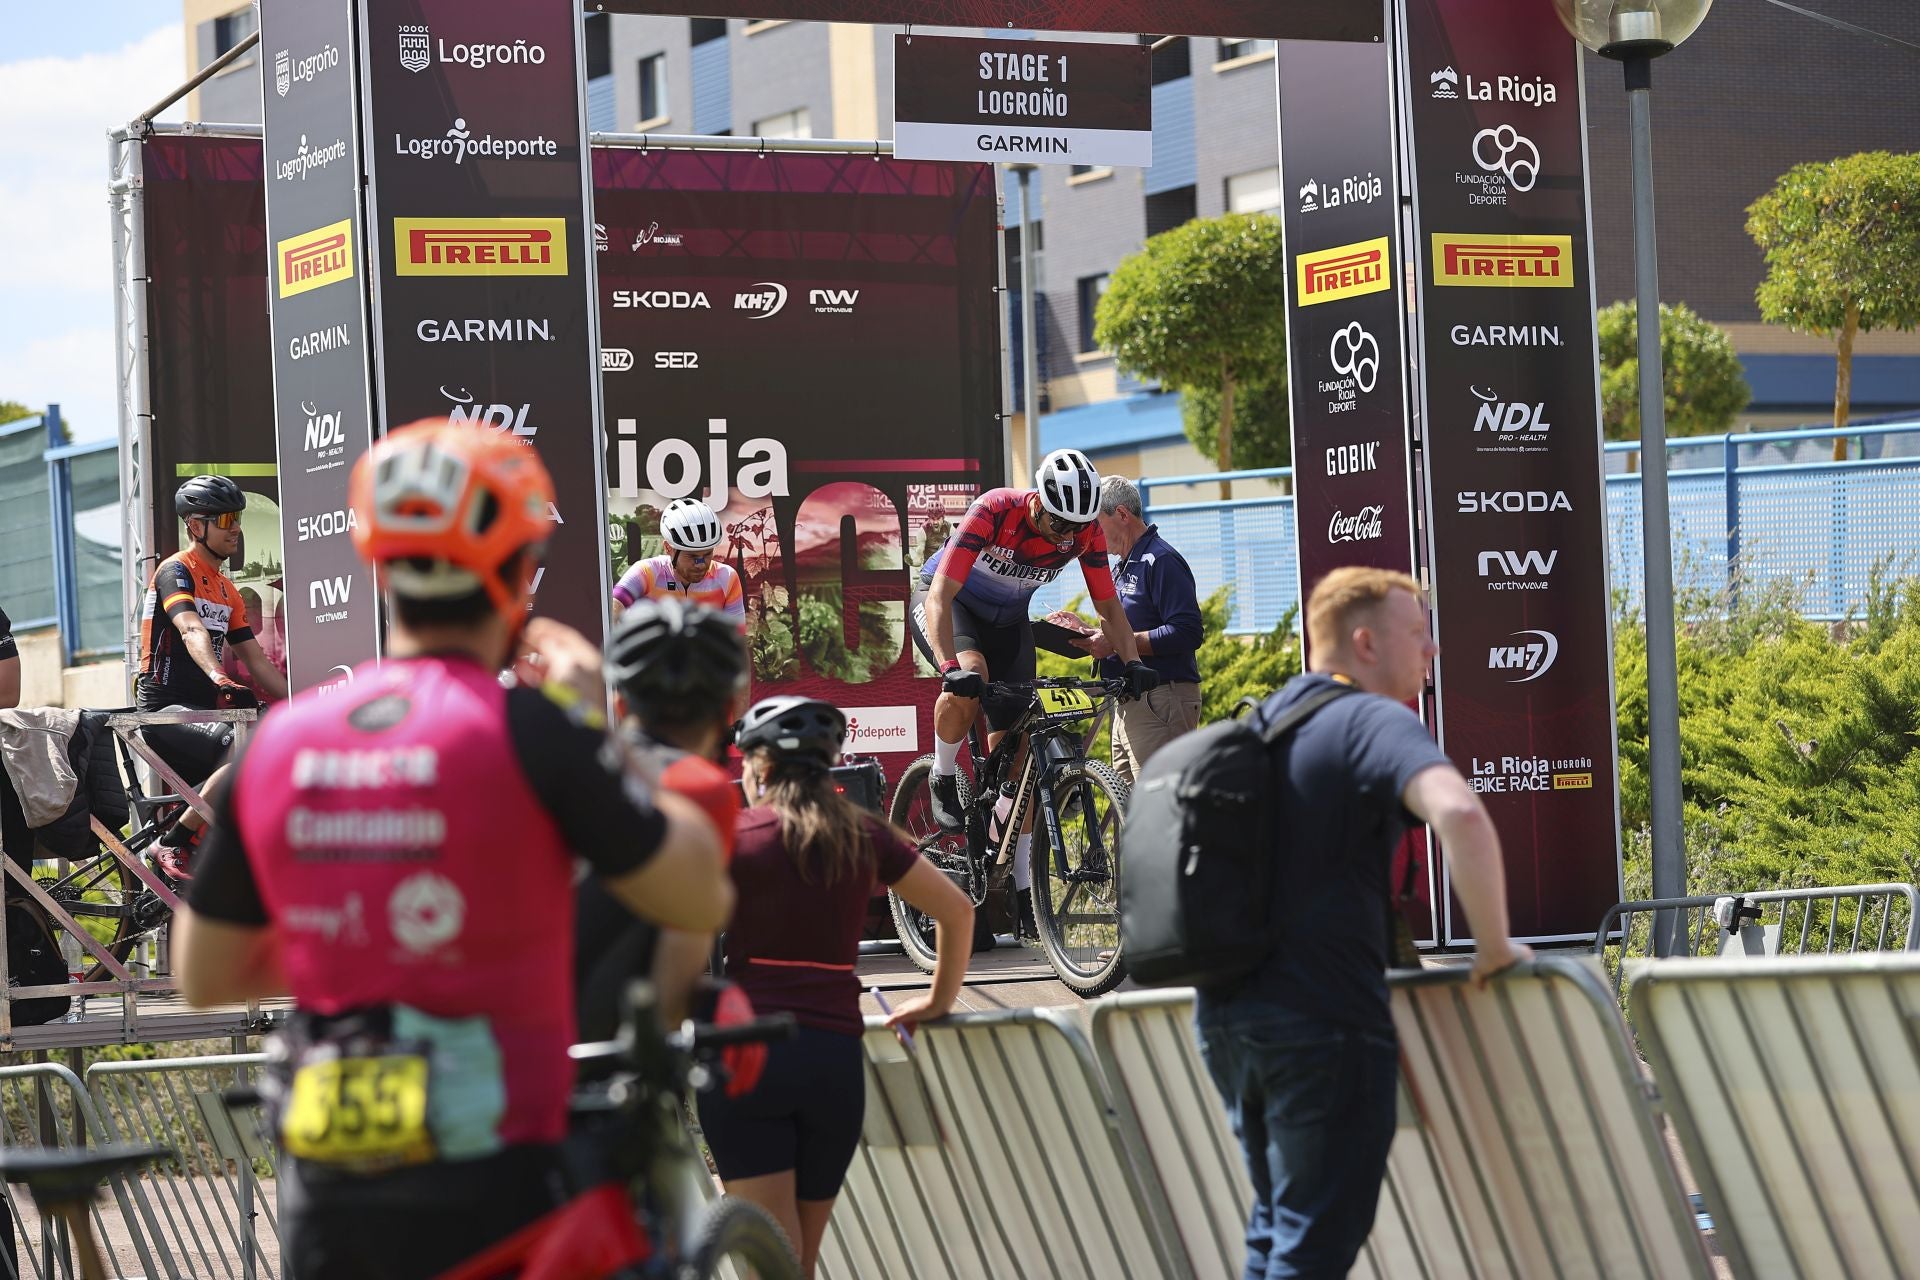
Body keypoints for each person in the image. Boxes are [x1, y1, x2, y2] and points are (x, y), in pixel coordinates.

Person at [171, 421, 735, 1280]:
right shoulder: (533, 732)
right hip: (502, 1177)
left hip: (329, 1183)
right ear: (518, 571)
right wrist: (602, 726)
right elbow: (698, 897)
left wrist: (373, 957)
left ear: (382, 565)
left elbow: (205, 975)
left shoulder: (281, 741)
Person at [1195, 566, 1532, 1280]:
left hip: (1228, 1021)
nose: (1433, 650)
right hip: (1321, 1020)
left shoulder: (1259, 724)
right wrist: (1495, 949)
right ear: (1365, 643)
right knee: (1311, 1246)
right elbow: (1461, 813)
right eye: (1418, 632)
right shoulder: (1372, 718)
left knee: (1276, 1231)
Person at [660, 695, 973, 1279]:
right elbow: (957, 911)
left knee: (768, 1263)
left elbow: (677, 947)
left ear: (758, 767)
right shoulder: (862, 834)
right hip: (833, 1063)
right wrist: (937, 999)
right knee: (799, 1264)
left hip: (749, 1058)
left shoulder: (734, 835)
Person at [908, 448, 1159, 930]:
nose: (1067, 536)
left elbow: (1109, 607)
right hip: (953, 605)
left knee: (1022, 757)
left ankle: (1023, 887)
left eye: (1075, 527)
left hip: (1008, 622)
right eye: (1059, 524)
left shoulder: (1083, 531)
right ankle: (942, 774)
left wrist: (1130, 662)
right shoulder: (994, 510)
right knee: (972, 676)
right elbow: (941, 593)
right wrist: (947, 665)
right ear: (1038, 503)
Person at [578, 597, 755, 1043]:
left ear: (619, 704)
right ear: (724, 713)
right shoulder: (700, 787)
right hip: (606, 1052)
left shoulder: (566, 762)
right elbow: (676, 973)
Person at [136, 476, 289, 878]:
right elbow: (190, 629)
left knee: (282, 738)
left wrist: (304, 705)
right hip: (165, 710)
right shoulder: (176, 571)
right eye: (224, 519)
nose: (235, 527)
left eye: (236, 517)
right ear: (196, 526)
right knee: (251, 746)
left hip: (205, 712)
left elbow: (257, 663)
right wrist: (218, 676)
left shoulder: (226, 589)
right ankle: (171, 843)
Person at [1073, 475, 1204, 782]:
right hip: (1131, 701)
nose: (1091, 535)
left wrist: (1119, 644)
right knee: (1128, 815)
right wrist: (1089, 633)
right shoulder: (1125, 564)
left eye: (1095, 524)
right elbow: (1122, 632)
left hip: (1162, 699)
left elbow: (1188, 631)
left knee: (1159, 811)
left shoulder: (1161, 559)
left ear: (1121, 514)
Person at [610, 496, 746, 626]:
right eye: (692, 556)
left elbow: (737, 638)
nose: (701, 564)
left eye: (707, 554)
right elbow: (613, 606)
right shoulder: (646, 571)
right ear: (668, 548)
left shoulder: (727, 577)